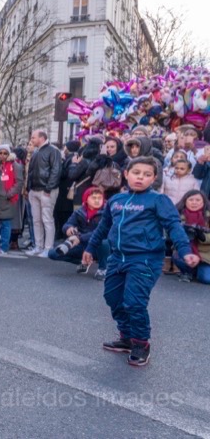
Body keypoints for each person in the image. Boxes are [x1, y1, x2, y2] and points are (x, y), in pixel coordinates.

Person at [83, 156, 200, 367]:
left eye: (147, 175)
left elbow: (174, 225)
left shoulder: (158, 200)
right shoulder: (116, 200)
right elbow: (103, 227)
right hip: (117, 257)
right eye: (136, 173)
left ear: (154, 178)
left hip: (145, 259)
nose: (141, 178)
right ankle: (126, 337)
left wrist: (184, 251)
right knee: (113, 298)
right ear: (126, 174)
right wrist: (90, 248)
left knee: (134, 302)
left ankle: (141, 343)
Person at [48, 187, 110, 280]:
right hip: (83, 244)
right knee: (53, 253)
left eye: (99, 198)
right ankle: (84, 261)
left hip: (98, 245)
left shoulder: (107, 212)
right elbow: (67, 224)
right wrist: (69, 229)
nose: (97, 200)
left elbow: (102, 232)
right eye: (94, 198)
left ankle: (102, 269)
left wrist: (79, 237)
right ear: (86, 199)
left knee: (105, 242)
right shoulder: (79, 212)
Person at [25, 130, 62, 257]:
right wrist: (29, 188)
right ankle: (39, 246)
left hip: (46, 190)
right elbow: (30, 171)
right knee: (37, 220)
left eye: (33, 137)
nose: (32, 140)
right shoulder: (36, 152)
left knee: (46, 219)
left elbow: (56, 170)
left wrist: (48, 188)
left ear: (41, 138)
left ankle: (47, 248)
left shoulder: (53, 150)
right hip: (35, 190)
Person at [173, 190, 210, 284]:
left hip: (206, 254)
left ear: (204, 202)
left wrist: (202, 236)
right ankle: (187, 271)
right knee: (179, 254)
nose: (194, 202)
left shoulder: (208, 217)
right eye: (191, 200)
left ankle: (198, 270)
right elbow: (171, 234)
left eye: (198, 200)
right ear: (185, 201)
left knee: (206, 279)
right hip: (187, 250)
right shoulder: (177, 215)